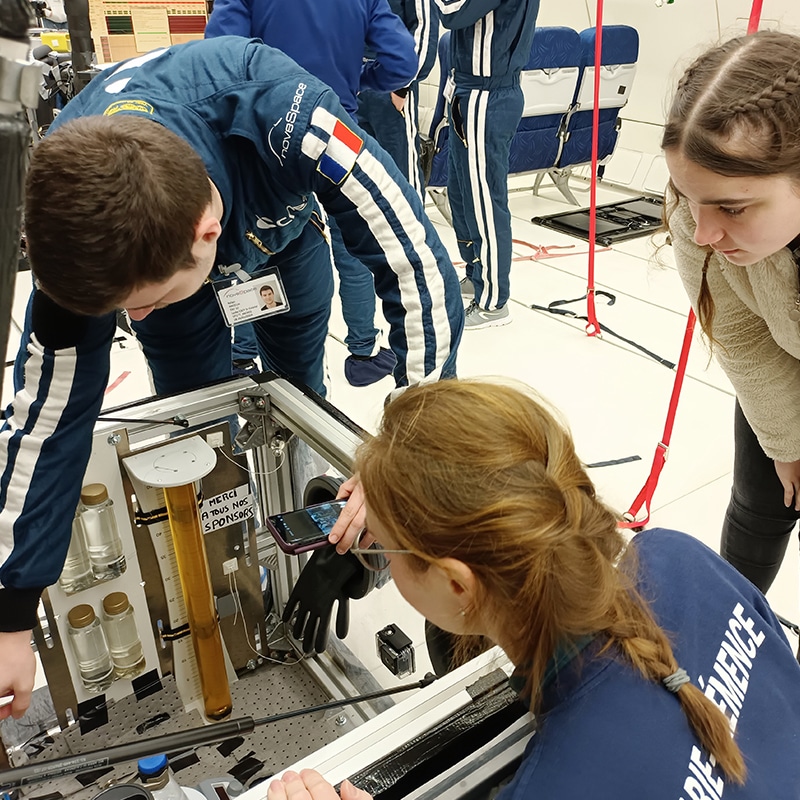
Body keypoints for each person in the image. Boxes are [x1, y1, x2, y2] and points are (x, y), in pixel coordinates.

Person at [0, 36, 463, 719]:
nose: (131, 319)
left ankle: (316, 541)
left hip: (283, 240)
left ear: (207, 231)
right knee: (196, 428)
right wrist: (11, 613)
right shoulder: (78, 214)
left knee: (297, 391)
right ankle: (236, 577)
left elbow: (416, 263)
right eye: (120, 310)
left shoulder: (293, 121)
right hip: (172, 263)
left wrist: (405, 458)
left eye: (143, 301)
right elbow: (47, 414)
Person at [268, 379, 800, 799]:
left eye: (380, 547)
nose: (376, 558)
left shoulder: (558, 783)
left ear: (458, 583)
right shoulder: (678, 554)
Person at [205, 0, 418, 387]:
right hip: (336, 129)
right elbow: (403, 63)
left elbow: (220, 57)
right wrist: (359, 78)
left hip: (266, 133)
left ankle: (244, 354)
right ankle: (364, 352)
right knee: (355, 247)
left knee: (257, 245)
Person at [661, 30, 800, 596]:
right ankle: (728, 626)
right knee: (760, 503)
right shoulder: (700, 219)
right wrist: (786, 446)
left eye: (734, 208)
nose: (705, 232)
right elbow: (743, 338)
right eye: (688, 197)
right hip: (774, 372)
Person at [436, 0, 539, 330]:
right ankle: (477, 274)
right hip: (468, 89)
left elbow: (452, 14)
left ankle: (494, 301)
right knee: (461, 193)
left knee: (484, 202)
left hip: (488, 95)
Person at [357, 0, 439, 199]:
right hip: (353, 78)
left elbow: (424, 28)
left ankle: (413, 231)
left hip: (390, 82)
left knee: (403, 179)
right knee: (355, 175)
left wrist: (402, 86)